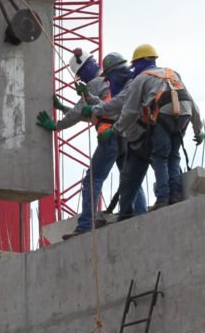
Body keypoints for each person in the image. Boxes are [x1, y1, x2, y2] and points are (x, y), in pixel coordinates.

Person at [36, 51, 147, 236]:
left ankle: (86, 224)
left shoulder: (95, 83)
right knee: (130, 176)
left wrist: (56, 125)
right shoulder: (109, 83)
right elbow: (94, 113)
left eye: (79, 74)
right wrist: (63, 107)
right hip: (126, 133)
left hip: (110, 137)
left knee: (92, 180)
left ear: (84, 70)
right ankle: (140, 214)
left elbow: (80, 111)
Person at [107, 44, 205, 219]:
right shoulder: (172, 73)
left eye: (134, 65)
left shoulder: (141, 79)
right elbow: (191, 101)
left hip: (164, 114)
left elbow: (129, 111)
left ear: (141, 62)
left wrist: (116, 129)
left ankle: (163, 198)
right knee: (174, 155)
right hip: (184, 113)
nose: (133, 69)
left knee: (160, 156)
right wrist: (199, 130)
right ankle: (175, 195)